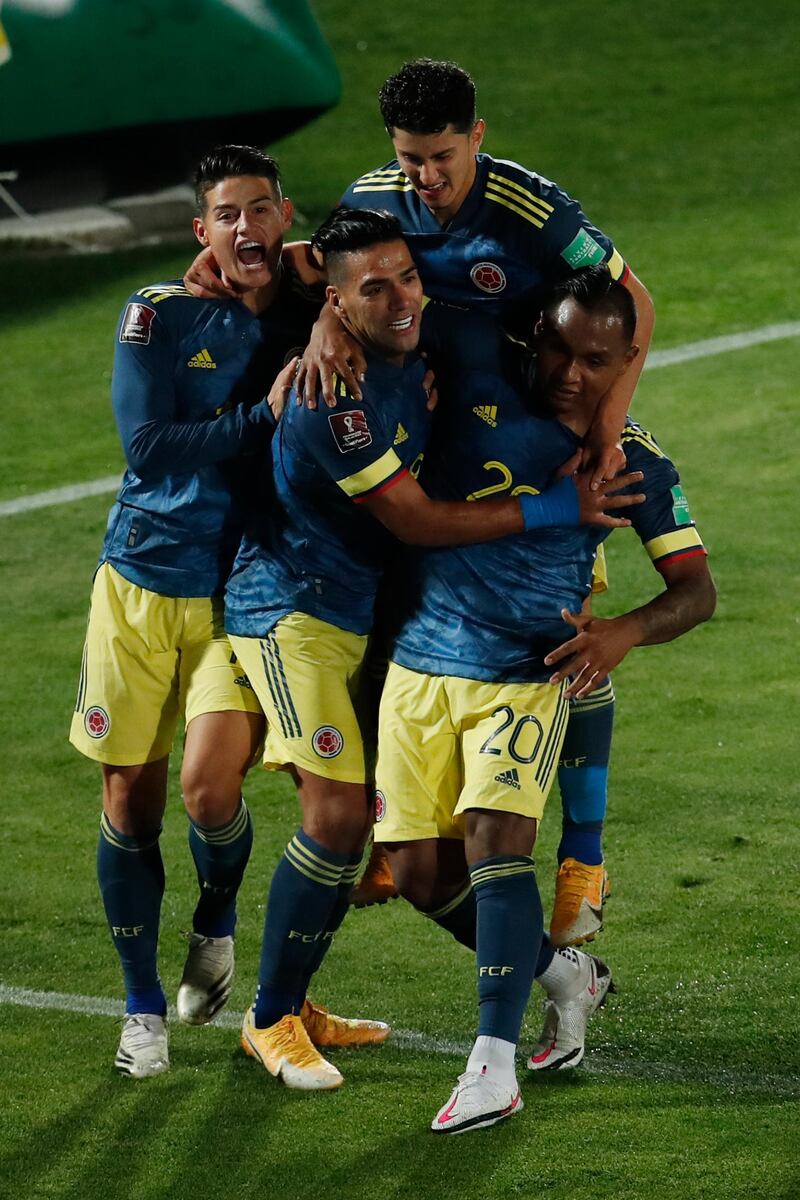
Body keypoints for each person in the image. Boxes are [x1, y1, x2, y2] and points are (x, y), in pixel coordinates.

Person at [183, 58, 654, 931]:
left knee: (554, 629)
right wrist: (317, 316)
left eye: (442, 156)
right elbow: (328, 267)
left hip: (526, 426)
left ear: (477, 138)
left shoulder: (529, 208)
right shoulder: (376, 194)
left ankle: (584, 859)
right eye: (410, 158)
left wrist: (603, 429)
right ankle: (392, 828)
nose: (426, 178)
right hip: (435, 433)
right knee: (401, 615)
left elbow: (633, 301)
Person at [223, 209, 641, 1091]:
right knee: (337, 819)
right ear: (335, 301)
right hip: (293, 611)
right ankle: (268, 1019)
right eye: (370, 289)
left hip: (383, 617)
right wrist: (555, 512)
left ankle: (559, 971)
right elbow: (413, 520)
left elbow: (592, 322)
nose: (402, 296)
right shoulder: (329, 397)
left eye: (406, 276)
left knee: (421, 865)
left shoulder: (419, 343)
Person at [371, 266, 715, 1133]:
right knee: (418, 873)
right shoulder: (473, 394)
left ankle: (491, 1067)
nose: (568, 371)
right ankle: (565, 975)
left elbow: (694, 589)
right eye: (556, 347)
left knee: (496, 847)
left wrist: (621, 633)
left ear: (625, 359)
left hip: (526, 672)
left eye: (594, 358)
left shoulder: (631, 459)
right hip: (419, 665)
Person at [69, 144, 321, 1079]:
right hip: (137, 581)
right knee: (129, 799)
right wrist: (260, 417)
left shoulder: (310, 302)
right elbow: (147, 446)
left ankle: (215, 925)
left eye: (262, 210)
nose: (247, 227)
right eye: (228, 214)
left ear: (286, 217)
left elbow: (379, 265)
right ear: (201, 230)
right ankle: (142, 1013)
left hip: (235, 591)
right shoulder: (158, 314)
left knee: (210, 793)